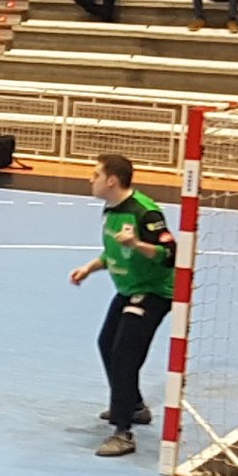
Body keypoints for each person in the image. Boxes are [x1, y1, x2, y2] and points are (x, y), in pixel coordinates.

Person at [70, 154, 177, 458]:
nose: (90, 180)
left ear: (112, 180)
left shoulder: (145, 212)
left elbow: (170, 254)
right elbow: (113, 251)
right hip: (130, 290)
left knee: (124, 354)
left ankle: (123, 431)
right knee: (106, 344)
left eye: (95, 175)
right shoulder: (112, 209)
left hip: (154, 291)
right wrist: (90, 268)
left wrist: (137, 244)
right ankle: (135, 405)